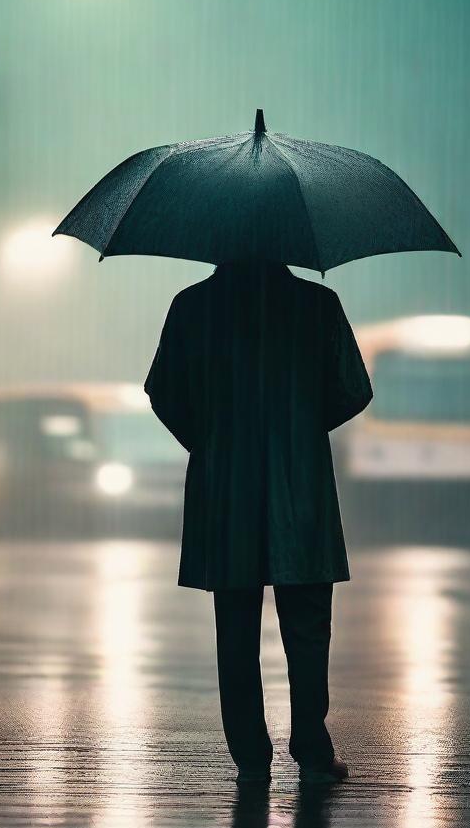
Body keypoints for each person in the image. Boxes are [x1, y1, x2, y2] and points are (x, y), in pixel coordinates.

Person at [144, 260, 372, 784]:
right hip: (301, 483)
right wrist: (303, 421)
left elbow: (164, 393)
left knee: (236, 625)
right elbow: (355, 389)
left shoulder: (193, 307)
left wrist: (209, 438)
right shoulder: (318, 306)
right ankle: (313, 750)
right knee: (309, 626)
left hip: (226, 487)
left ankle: (250, 756)